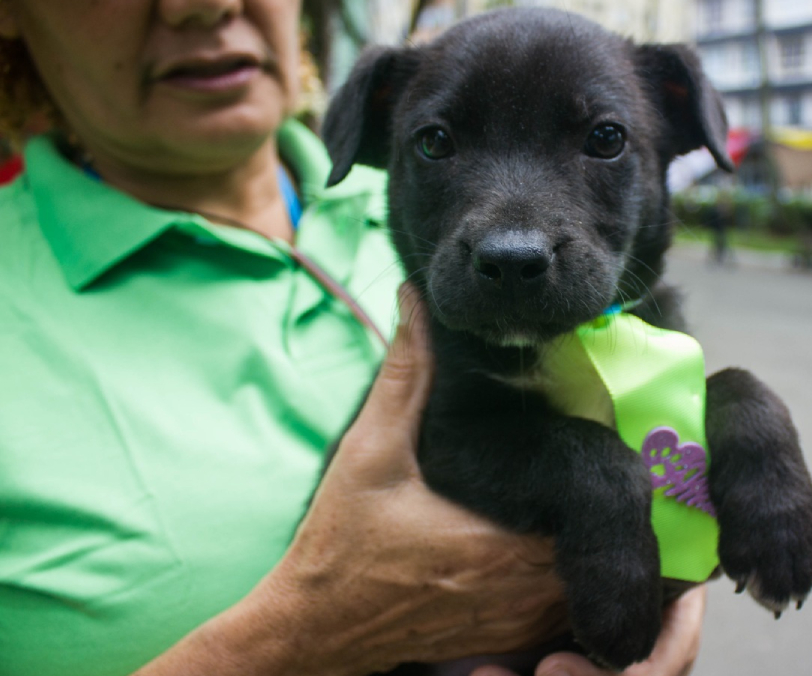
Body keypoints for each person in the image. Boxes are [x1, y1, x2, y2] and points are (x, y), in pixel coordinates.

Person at [0, 1, 707, 675]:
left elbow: (665, 459)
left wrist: (676, 568)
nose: (206, 4)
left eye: (604, 140)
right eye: (438, 145)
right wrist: (302, 636)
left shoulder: (394, 199)